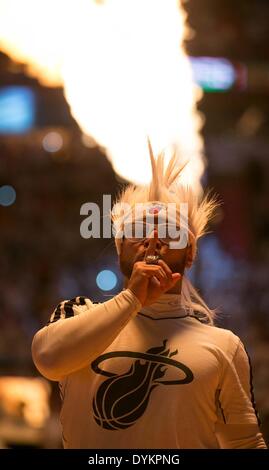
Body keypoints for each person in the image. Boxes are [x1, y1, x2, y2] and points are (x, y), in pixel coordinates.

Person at [32, 142, 267, 449]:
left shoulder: (224, 346)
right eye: (138, 229)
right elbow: (48, 359)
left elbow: (244, 442)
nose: (153, 238)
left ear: (191, 252)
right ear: (119, 248)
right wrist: (132, 298)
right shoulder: (77, 314)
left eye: (170, 231)